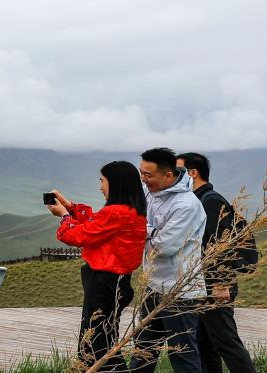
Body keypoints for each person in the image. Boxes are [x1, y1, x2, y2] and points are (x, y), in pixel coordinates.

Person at [48, 161, 147, 372]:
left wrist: (65, 216)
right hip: (116, 282)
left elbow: (78, 234)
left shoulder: (116, 213)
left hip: (104, 282)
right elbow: (95, 224)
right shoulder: (131, 211)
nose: (100, 186)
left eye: (102, 181)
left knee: (95, 345)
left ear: (115, 183)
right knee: (102, 340)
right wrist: (70, 206)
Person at [129, 147, 207, 373]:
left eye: (148, 175)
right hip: (153, 284)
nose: (143, 179)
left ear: (169, 176)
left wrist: (144, 230)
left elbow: (164, 247)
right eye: (141, 173)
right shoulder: (149, 192)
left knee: (181, 353)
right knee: (143, 350)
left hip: (179, 290)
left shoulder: (187, 205)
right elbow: (135, 217)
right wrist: (152, 231)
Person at [177, 152, 256, 373]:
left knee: (226, 342)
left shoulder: (210, 200)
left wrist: (221, 284)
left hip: (215, 285)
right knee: (204, 342)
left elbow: (221, 244)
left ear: (192, 173)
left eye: (178, 171)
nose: (172, 175)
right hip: (202, 285)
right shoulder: (197, 200)